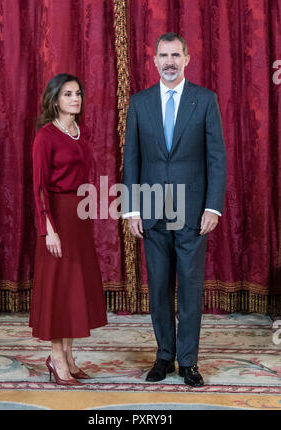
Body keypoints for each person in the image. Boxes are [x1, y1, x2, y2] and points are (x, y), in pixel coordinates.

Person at [123, 33, 226, 387]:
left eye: (175, 55)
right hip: (151, 209)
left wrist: (213, 206)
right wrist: (131, 209)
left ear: (187, 58)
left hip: (194, 211)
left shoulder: (205, 100)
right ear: (153, 61)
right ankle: (164, 356)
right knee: (160, 287)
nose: (169, 61)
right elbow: (131, 158)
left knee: (190, 287)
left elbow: (217, 158)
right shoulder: (139, 103)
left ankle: (188, 361)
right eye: (163, 55)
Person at [29, 73, 107, 386]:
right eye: (67, 94)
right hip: (57, 217)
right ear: (54, 100)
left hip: (79, 217)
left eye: (77, 94)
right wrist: (49, 228)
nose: (75, 99)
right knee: (59, 289)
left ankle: (70, 357)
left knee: (76, 287)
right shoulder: (46, 136)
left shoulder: (80, 131)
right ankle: (56, 358)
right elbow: (38, 188)